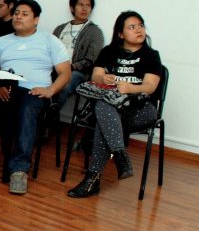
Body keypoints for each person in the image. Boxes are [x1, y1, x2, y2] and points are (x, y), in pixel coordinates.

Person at [67, 11, 162, 198]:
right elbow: (95, 77)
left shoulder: (151, 56)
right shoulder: (108, 52)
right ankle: (119, 156)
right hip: (111, 109)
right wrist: (103, 77)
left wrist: (129, 88)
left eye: (140, 25)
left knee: (104, 119)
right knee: (105, 110)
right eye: (132, 27)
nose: (138, 30)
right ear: (120, 33)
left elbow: (150, 87)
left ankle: (93, 180)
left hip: (141, 110)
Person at [0, 0, 71, 195]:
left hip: (34, 91)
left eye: (25, 14)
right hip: (6, 89)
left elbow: (65, 73)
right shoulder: (1, 41)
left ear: (36, 19)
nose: (18, 17)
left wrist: (50, 90)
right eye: (16, 13)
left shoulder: (49, 40)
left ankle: (19, 169)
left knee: (27, 109)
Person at [52, 0, 104, 106]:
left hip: (77, 72)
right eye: (81, 5)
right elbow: (49, 50)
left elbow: (92, 58)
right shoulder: (60, 29)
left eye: (88, 5)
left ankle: (51, 112)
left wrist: (71, 67)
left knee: (65, 84)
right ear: (72, 8)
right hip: (54, 68)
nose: (84, 9)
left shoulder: (94, 31)